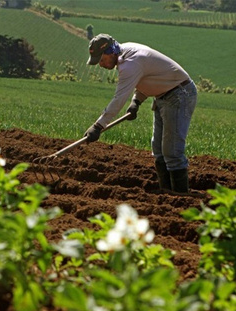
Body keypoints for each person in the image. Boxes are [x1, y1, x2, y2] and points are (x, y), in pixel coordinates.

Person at [84, 33, 197, 193]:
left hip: (179, 95)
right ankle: (167, 192)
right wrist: (136, 101)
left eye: (101, 60)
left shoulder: (130, 63)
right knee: (158, 149)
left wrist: (98, 126)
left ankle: (180, 195)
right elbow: (150, 77)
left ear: (111, 52)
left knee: (172, 151)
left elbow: (118, 100)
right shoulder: (127, 52)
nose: (100, 65)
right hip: (162, 96)